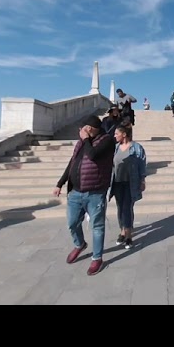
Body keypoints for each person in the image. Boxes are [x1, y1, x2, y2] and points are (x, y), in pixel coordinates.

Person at [53, 114, 115, 276]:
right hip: (75, 191)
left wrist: (86, 139)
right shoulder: (81, 143)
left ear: (90, 129)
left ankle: (97, 258)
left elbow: (92, 156)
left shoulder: (107, 140)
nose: (81, 132)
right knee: (72, 223)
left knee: (97, 226)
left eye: (84, 129)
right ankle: (79, 244)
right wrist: (60, 183)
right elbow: (72, 162)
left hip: (95, 192)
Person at [108, 124, 147, 250]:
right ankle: (122, 231)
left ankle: (129, 235)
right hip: (117, 182)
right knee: (120, 207)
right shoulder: (115, 148)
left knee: (127, 207)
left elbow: (142, 165)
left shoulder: (137, 148)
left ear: (124, 134)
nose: (114, 136)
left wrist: (142, 180)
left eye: (116, 133)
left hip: (131, 182)